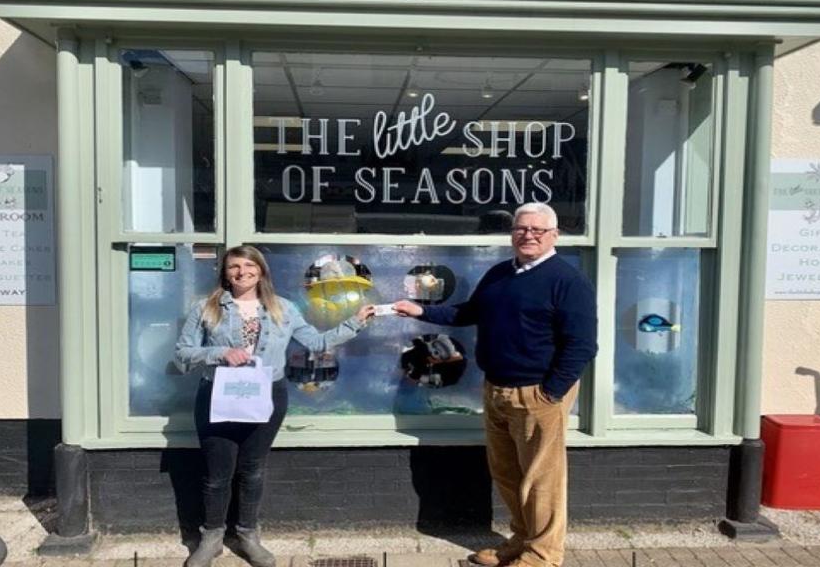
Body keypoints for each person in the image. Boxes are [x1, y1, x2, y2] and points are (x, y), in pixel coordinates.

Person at [393, 203, 597, 567]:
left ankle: (543, 555)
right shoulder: (501, 273)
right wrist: (421, 311)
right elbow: (468, 312)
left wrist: (551, 392)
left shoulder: (568, 281)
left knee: (541, 481)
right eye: (522, 228)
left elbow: (582, 345)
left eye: (538, 230)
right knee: (507, 474)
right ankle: (520, 540)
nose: (528, 235)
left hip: (538, 394)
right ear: (512, 232)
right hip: (497, 389)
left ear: (554, 236)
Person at [175, 245, 374, 567]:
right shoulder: (206, 308)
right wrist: (218, 353)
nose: (242, 272)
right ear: (225, 272)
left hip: (267, 394)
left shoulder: (283, 308)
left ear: (262, 270)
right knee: (217, 474)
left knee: (252, 470)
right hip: (218, 394)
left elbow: (317, 343)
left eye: (249, 266)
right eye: (234, 267)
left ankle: (247, 535)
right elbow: (183, 354)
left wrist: (356, 322)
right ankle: (211, 538)